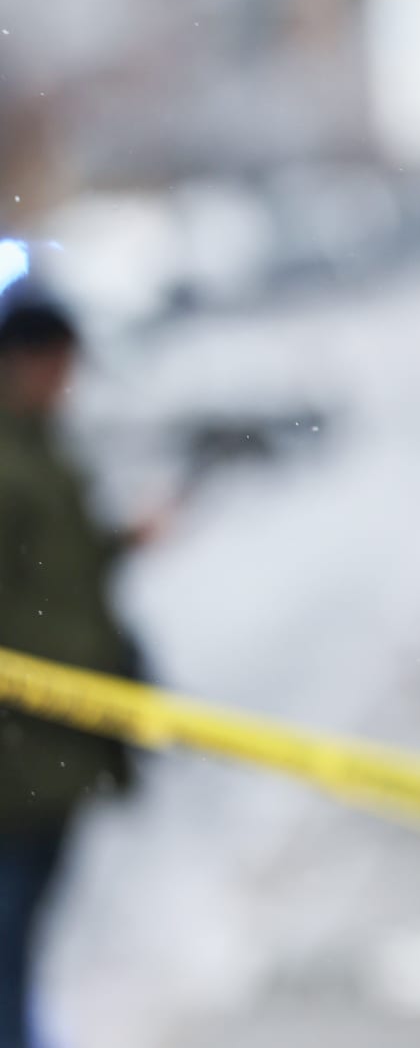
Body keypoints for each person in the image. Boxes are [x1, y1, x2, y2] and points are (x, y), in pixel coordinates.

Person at [0, 296, 148, 1048]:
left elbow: (56, 571)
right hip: (20, 746)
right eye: (59, 365)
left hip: (50, 738)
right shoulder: (13, 460)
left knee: (23, 927)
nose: (67, 382)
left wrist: (119, 541)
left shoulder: (40, 448)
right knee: (10, 926)